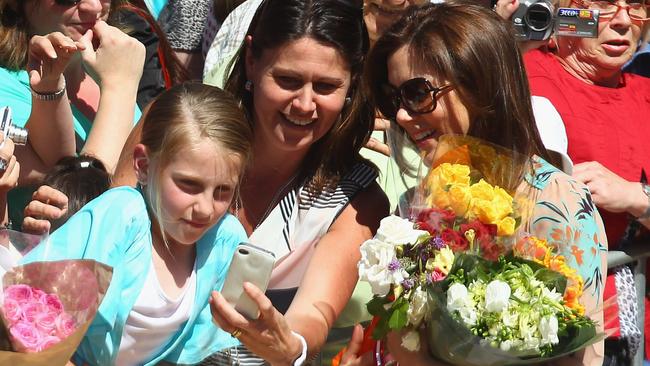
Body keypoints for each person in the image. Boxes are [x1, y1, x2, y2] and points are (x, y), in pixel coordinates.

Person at [340, 2, 607, 365]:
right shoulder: (415, 203)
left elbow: (578, 355)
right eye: (393, 98)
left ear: (480, 86)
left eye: (418, 93)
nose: (402, 114)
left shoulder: (555, 198)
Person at [21, 82, 254, 365]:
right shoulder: (121, 215)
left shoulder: (225, 240)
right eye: (189, 185)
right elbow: (25, 313)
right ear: (143, 165)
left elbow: (214, 346)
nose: (206, 208)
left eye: (222, 191)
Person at [495, 0, 650, 361]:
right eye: (603, 4)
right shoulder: (521, 76)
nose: (624, 21)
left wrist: (637, 197)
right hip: (554, 322)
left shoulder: (645, 92)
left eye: (638, 5)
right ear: (562, 10)